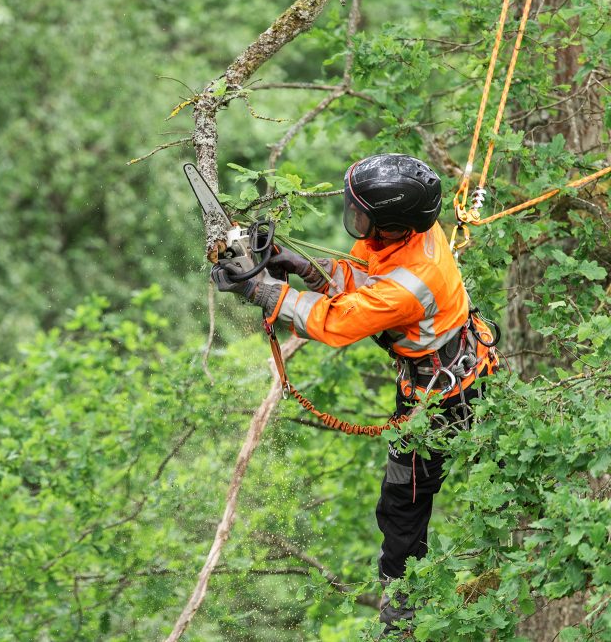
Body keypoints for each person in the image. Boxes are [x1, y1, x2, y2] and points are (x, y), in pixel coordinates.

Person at [211, 153, 499, 635]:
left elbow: (338, 321)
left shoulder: (412, 282)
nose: (357, 224)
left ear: (393, 225)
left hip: (442, 397)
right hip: (451, 367)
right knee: (405, 491)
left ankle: (403, 604)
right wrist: (303, 266)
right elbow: (362, 280)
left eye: (364, 217)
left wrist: (263, 291)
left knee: (403, 499)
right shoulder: (409, 238)